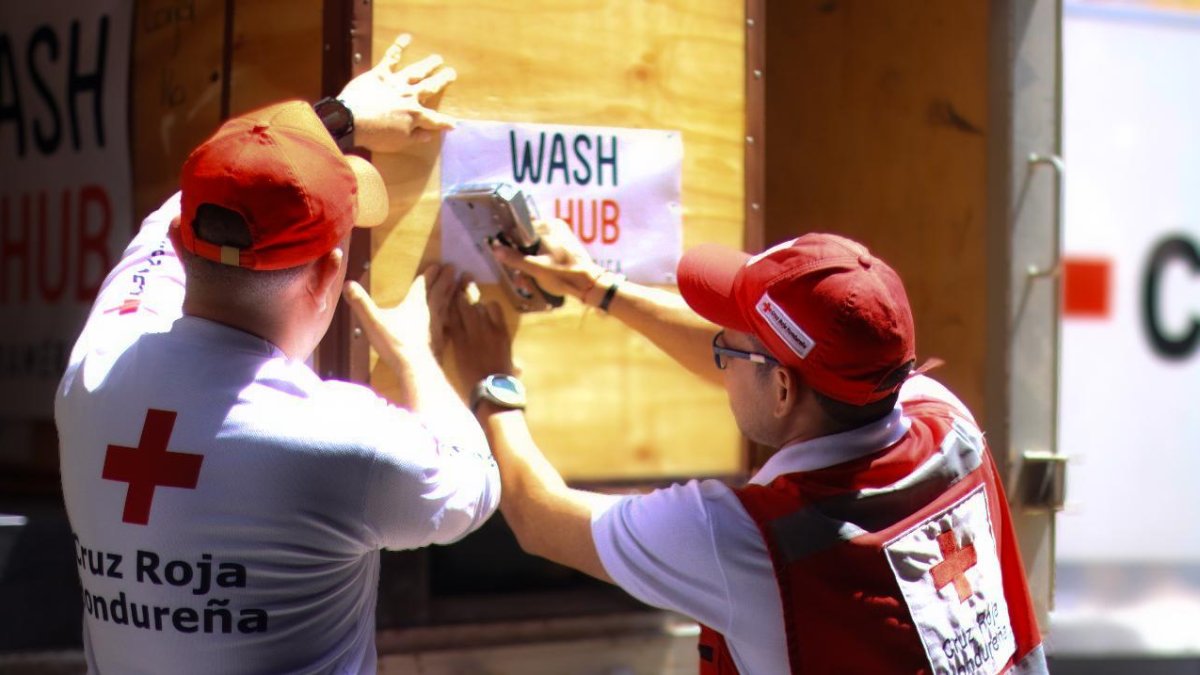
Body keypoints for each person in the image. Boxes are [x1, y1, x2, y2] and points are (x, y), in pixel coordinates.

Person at [55, 35, 499, 674]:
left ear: (184, 252)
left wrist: (334, 122)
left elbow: (188, 207)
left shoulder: (100, 363)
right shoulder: (347, 442)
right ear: (329, 276)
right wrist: (414, 356)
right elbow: (473, 488)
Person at [426, 221, 1048, 674]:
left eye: (731, 345)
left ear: (780, 388)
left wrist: (491, 381)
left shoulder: (746, 539)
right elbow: (794, 367)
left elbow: (539, 519)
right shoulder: (943, 417)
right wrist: (597, 288)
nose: (718, 352)